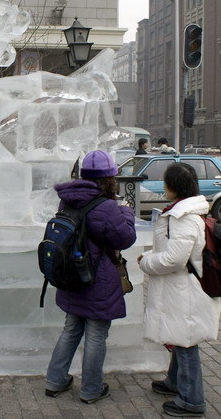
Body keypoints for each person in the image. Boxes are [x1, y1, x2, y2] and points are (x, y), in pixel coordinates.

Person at [45, 150, 136, 404]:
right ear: (109, 180)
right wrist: (126, 212)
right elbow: (125, 238)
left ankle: (55, 380)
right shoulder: (107, 207)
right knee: (96, 333)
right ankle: (91, 390)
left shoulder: (67, 200)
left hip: (72, 276)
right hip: (98, 280)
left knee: (71, 329)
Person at [137, 163, 221, 417]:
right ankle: (174, 383)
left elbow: (174, 259)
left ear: (173, 186)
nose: (163, 185)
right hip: (183, 287)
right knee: (181, 336)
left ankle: (192, 400)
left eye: (165, 181)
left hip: (185, 290)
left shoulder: (183, 218)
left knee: (186, 344)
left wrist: (146, 262)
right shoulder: (182, 212)